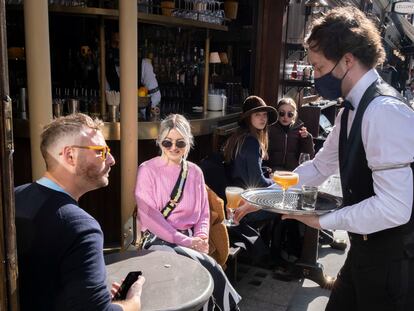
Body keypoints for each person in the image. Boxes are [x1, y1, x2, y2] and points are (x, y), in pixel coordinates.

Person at [283, 7, 414, 310]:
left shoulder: (383, 112)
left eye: (318, 67)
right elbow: (320, 166)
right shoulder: (349, 110)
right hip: (362, 252)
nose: (314, 76)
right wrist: (269, 194)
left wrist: (321, 220)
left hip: (391, 264)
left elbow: (394, 207)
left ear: (347, 60)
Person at [15, 113, 145, 311]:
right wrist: (133, 302)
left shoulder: (15, 197)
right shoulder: (80, 227)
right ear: (70, 156)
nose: (111, 159)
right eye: (100, 151)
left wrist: (92, 294)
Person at [135, 114, 241, 311]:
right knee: (207, 267)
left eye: (180, 142)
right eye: (167, 142)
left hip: (190, 237)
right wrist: (186, 242)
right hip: (158, 238)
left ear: (189, 143)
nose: (173, 147)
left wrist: (201, 237)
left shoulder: (195, 172)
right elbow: (150, 216)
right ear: (159, 142)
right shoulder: (147, 170)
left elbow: (203, 212)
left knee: (203, 271)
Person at [223, 95, 278, 188]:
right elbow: (258, 182)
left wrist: (264, 171)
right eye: (257, 114)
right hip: (245, 196)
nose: (262, 118)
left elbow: (243, 169)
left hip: (235, 190)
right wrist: (275, 181)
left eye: (264, 114)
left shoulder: (240, 136)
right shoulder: (251, 143)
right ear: (248, 118)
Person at [106, 31, 161, 118]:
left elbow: (155, 95)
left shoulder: (144, 65)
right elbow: (107, 95)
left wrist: (141, 111)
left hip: (138, 120)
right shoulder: (106, 67)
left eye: (122, 43)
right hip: (115, 118)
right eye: (115, 43)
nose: (118, 47)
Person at [267, 97, 314, 171]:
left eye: (290, 114)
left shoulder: (300, 130)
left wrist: (307, 138)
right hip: (273, 170)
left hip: (293, 170)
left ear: (294, 115)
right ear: (277, 113)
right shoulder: (270, 129)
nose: (285, 117)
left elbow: (308, 156)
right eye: (282, 113)